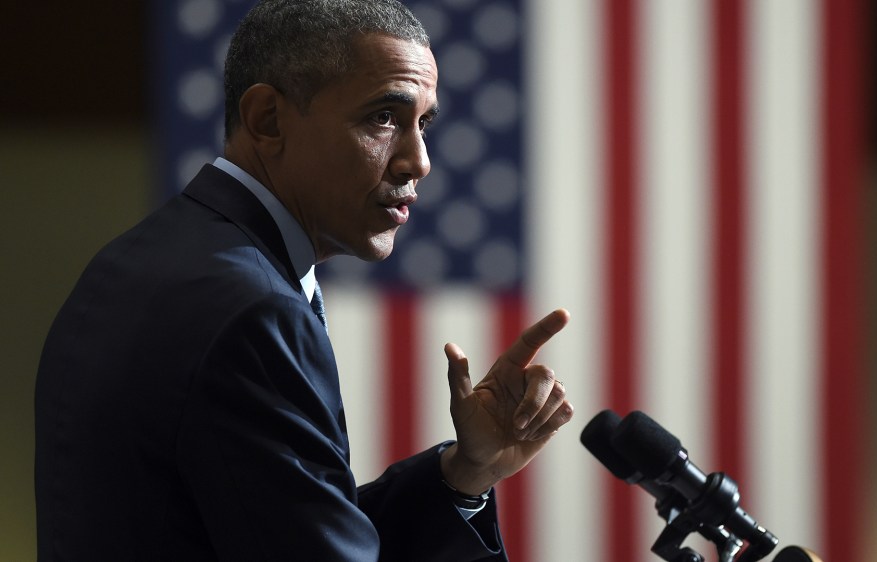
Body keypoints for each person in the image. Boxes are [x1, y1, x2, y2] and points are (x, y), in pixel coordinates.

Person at [34, 1, 573, 560]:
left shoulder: (139, 259)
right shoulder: (252, 309)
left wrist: (466, 471)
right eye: (384, 118)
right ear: (268, 118)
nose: (419, 162)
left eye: (424, 123)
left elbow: (277, 526)